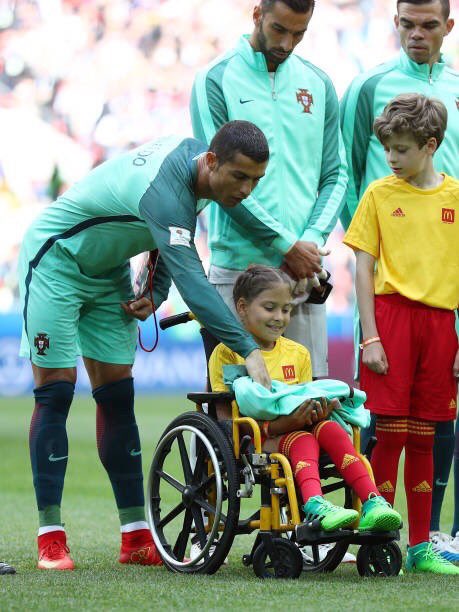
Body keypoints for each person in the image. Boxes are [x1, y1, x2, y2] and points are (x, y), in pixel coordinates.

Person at [18, 120, 323, 571]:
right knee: (57, 391)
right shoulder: (169, 187)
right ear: (212, 161)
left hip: (110, 272)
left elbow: (174, 232)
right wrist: (248, 348)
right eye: (240, 177)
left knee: (117, 396)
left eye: (256, 180)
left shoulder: (202, 169)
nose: (246, 189)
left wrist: (155, 290)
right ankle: (51, 537)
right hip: (55, 258)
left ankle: (136, 536)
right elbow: (193, 280)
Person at [340, 0, 459, 560]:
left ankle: (421, 543)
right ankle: (377, 538)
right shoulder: (379, 192)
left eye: (400, 149)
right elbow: (362, 263)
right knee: (385, 428)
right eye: (385, 148)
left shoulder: (454, 197)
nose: (389, 157)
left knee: (429, 431)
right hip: (389, 317)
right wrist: (370, 334)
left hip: (440, 321)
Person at [190, 0, 348, 381]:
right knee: (234, 405)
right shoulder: (215, 79)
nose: (287, 43)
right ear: (257, 15)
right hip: (238, 274)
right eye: (279, 29)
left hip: (302, 277)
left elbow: (336, 174)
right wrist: (287, 245)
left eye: (299, 33)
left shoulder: (319, 83)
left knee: (309, 400)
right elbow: (219, 181)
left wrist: (310, 242)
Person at [209, 265, 402, 564]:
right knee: (303, 439)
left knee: (332, 430)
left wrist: (321, 408)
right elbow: (226, 420)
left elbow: (304, 399)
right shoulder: (225, 353)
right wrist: (281, 425)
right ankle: (315, 505)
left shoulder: (298, 353)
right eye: (270, 308)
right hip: (260, 438)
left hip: (301, 429)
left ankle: (373, 503)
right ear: (243, 308)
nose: (279, 317)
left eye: (286, 310)